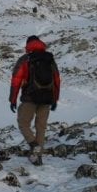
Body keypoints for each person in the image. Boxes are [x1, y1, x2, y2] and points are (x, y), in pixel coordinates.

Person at [9, 35, 60, 165]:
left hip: (29, 98)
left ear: (28, 45)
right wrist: (55, 99)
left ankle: (33, 145)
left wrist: (13, 99)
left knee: (23, 123)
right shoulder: (49, 59)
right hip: (47, 98)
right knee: (41, 127)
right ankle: (38, 158)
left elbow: (16, 80)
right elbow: (56, 80)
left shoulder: (25, 59)